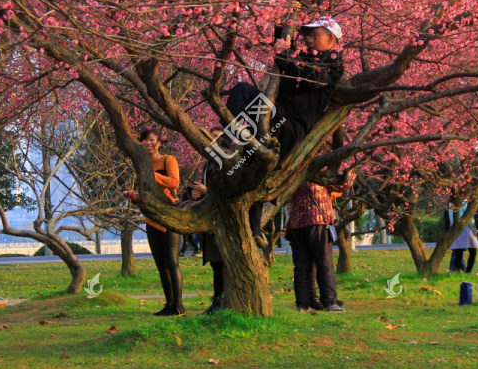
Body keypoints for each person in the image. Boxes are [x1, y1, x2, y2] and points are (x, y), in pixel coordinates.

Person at [224, 18, 345, 250]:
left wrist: (282, 52)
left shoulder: (333, 63)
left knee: (259, 162)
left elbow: (305, 73)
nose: (309, 40)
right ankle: (233, 144)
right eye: (307, 35)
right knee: (241, 91)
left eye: (315, 34)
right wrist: (282, 23)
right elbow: (290, 57)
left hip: (290, 125)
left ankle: (254, 223)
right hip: (272, 116)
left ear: (331, 38)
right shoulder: (305, 57)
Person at [124, 128, 185, 316]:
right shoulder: (141, 165)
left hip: (168, 216)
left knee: (172, 262)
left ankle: (178, 306)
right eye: (144, 140)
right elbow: (146, 193)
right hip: (151, 218)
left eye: (151, 140)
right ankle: (169, 304)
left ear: (158, 142)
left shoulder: (167, 160)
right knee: (160, 265)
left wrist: (151, 173)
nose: (148, 143)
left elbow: (174, 183)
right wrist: (134, 197)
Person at [287, 169, 355, 312]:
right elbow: (340, 186)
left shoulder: (293, 173)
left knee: (302, 266)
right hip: (317, 222)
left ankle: (303, 303)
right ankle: (329, 301)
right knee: (324, 262)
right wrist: (349, 177)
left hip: (296, 224)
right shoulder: (320, 174)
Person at [187, 127, 227, 315]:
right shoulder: (208, 165)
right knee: (215, 262)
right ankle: (218, 298)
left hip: (223, 219)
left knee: (221, 262)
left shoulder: (227, 162)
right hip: (209, 218)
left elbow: (229, 192)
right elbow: (206, 190)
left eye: (216, 138)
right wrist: (196, 192)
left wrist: (206, 191)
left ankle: (221, 300)